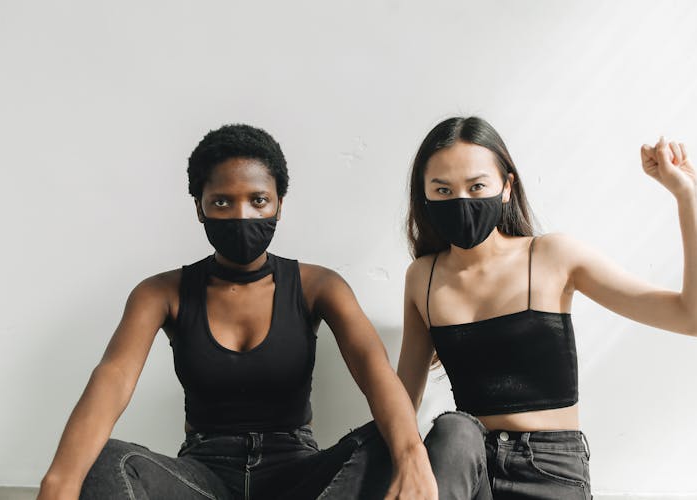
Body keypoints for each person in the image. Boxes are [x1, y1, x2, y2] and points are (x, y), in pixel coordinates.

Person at [37, 124, 439, 500]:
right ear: (200, 208)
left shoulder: (320, 286)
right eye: (222, 202)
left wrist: (411, 455)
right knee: (102, 460)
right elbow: (114, 377)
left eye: (258, 200)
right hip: (204, 475)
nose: (241, 215)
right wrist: (60, 480)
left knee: (388, 442)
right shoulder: (160, 293)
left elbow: (376, 371)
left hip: (298, 473)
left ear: (279, 205)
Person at [395, 116, 697, 499]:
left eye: (477, 186)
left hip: (549, 468)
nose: (462, 201)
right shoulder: (422, 278)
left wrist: (688, 197)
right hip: (467, 466)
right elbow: (401, 402)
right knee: (453, 429)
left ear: (506, 188)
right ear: (425, 196)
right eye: (443, 190)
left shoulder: (552, 257)